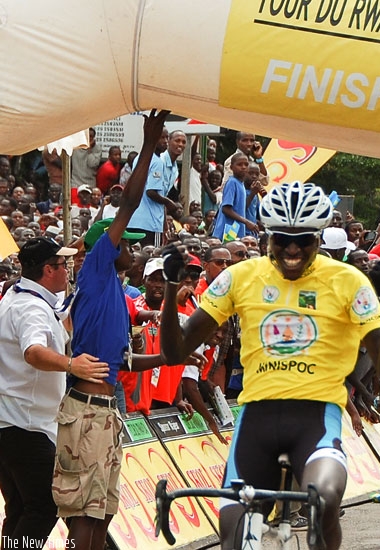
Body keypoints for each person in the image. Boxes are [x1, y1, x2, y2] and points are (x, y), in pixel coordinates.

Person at [158, 181, 380, 550]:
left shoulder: (349, 281)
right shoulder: (240, 276)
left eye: (303, 239)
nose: (292, 249)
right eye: (282, 238)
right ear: (266, 236)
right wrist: (170, 285)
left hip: (317, 417)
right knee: (234, 533)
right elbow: (175, 354)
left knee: (324, 500)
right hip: (257, 417)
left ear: (319, 238)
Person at [52, 110, 185, 550]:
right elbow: (127, 203)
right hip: (86, 412)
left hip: (107, 413)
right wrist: (149, 144)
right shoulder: (95, 269)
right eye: (126, 243)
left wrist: (170, 355)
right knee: (86, 520)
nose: (133, 248)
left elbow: (123, 360)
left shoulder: (116, 296)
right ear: (104, 248)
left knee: (103, 513)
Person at [0, 238, 108, 548]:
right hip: (25, 425)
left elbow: (60, 312)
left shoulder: (19, 294)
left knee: (21, 507)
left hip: (13, 422)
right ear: (48, 270)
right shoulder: (30, 307)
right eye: (64, 266)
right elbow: (33, 352)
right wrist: (72, 365)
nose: (68, 272)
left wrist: (79, 245)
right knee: (44, 506)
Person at [128, 129, 187, 247]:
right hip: (149, 221)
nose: (180, 144)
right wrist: (169, 203)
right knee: (150, 256)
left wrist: (164, 223)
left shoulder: (173, 168)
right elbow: (151, 192)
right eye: (177, 140)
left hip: (134, 219)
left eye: (183, 142)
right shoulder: (158, 161)